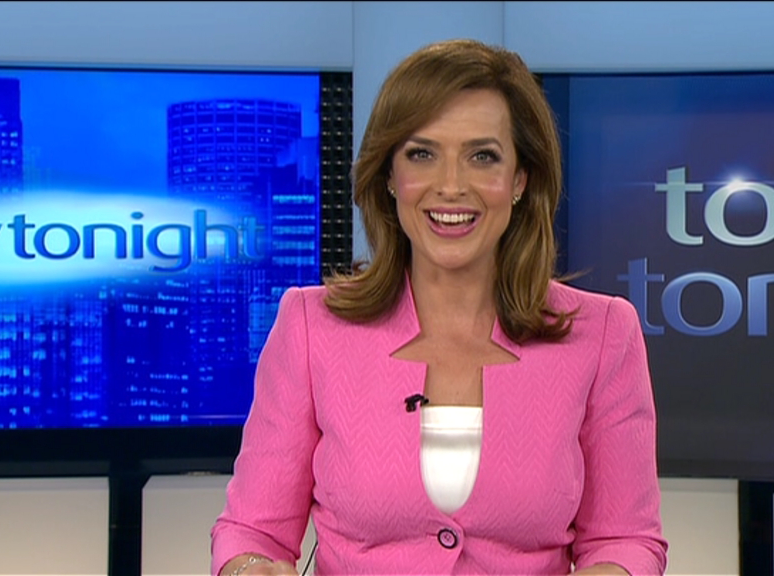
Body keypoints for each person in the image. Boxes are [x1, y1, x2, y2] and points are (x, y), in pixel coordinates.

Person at [211, 38, 668, 576]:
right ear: (389, 176)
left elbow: (625, 539)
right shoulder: (312, 327)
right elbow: (252, 532)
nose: (451, 186)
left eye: (482, 156)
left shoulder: (602, 335)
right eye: (422, 154)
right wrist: (250, 569)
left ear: (520, 179)